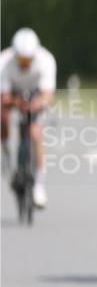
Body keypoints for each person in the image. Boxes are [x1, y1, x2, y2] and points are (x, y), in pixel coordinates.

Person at [0, 28, 57, 207]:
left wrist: (35, 105)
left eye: (28, 60)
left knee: (35, 134)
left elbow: (48, 95)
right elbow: (4, 97)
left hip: (36, 94)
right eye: (21, 60)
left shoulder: (46, 60)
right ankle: (8, 155)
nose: (24, 64)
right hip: (13, 93)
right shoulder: (4, 61)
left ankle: (39, 186)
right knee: (3, 118)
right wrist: (16, 103)